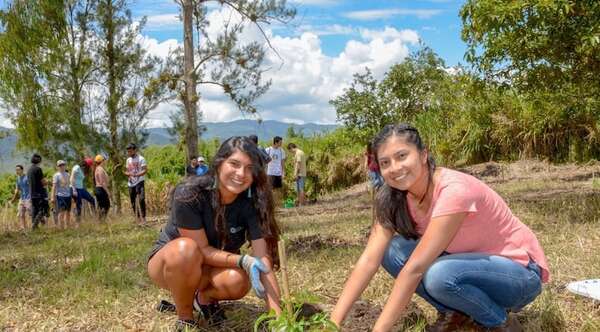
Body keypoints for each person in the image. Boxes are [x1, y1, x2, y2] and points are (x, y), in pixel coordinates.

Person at [331, 124, 549, 332]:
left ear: (424, 155)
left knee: (439, 275)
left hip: (519, 274)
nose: (395, 168)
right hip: (465, 266)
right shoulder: (393, 198)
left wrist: (380, 328)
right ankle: (454, 312)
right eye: (385, 162)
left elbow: (414, 269)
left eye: (402, 156)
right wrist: (332, 323)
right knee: (392, 251)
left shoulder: (454, 190)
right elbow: (369, 260)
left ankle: (498, 322)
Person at [147, 136, 282, 330]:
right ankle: (186, 317)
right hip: (173, 264)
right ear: (219, 163)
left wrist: (278, 319)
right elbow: (200, 250)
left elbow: (263, 259)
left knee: (238, 281)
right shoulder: (190, 194)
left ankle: (203, 300)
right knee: (186, 249)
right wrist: (243, 260)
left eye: (249, 168)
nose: (241, 173)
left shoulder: (251, 203)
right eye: (234, 164)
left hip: (211, 267)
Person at [125, 143, 147, 224]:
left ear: (135, 150)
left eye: (130, 151)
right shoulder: (128, 160)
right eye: (128, 152)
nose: (129, 153)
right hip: (131, 183)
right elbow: (127, 171)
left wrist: (137, 174)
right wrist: (128, 174)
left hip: (140, 181)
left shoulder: (141, 159)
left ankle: (143, 217)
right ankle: (137, 217)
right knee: (133, 201)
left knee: (141, 199)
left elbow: (145, 170)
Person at [71, 158, 96, 222]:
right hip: (75, 188)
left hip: (81, 188)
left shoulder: (82, 170)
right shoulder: (76, 167)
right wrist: (74, 190)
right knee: (79, 205)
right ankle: (78, 222)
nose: (88, 167)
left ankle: (95, 217)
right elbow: (72, 178)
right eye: (88, 166)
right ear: (84, 164)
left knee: (92, 199)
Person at [51, 160, 73, 229]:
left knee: (68, 212)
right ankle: (61, 228)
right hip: (60, 196)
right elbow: (54, 187)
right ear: (57, 167)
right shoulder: (56, 175)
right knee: (61, 212)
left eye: (63, 165)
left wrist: (71, 196)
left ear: (65, 165)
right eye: (60, 165)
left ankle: (68, 227)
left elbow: (69, 186)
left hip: (68, 196)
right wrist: (52, 197)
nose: (62, 166)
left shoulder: (68, 174)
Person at [27, 153, 46, 229]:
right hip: (39, 193)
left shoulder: (29, 170)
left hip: (32, 193)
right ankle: (35, 224)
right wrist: (48, 182)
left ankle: (34, 226)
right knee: (43, 209)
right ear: (39, 160)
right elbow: (43, 181)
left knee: (35, 209)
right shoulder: (38, 169)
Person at [265, 136, 286, 205]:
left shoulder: (281, 151)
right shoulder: (268, 150)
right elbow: (264, 161)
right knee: (270, 189)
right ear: (276, 142)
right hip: (270, 173)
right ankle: (271, 204)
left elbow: (282, 162)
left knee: (278, 189)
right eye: (280, 142)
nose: (281, 144)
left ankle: (277, 204)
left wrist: (283, 172)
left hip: (278, 173)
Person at [11, 165, 31, 231]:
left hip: (28, 198)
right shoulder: (18, 179)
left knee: (31, 213)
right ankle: (23, 228)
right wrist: (13, 199)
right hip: (22, 199)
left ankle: (40, 220)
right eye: (16, 170)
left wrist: (31, 198)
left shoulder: (27, 177)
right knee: (21, 214)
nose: (17, 171)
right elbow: (17, 190)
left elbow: (31, 187)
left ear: (22, 170)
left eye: (18, 169)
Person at [94, 155, 111, 220]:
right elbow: (102, 182)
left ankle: (102, 221)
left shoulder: (97, 168)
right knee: (106, 206)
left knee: (103, 206)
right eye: (104, 160)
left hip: (99, 189)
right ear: (102, 161)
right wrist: (108, 192)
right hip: (101, 189)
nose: (105, 161)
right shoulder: (100, 169)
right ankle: (102, 221)